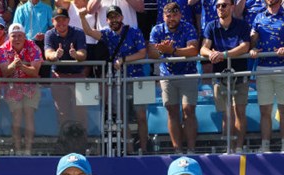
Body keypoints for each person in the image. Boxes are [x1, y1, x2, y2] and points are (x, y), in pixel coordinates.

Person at [79, 5, 149, 153]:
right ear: (107, 20)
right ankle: (130, 151)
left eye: (116, 16)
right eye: (110, 17)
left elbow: (143, 53)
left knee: (141, 116)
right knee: (122, 118)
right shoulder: (107, 33)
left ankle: (144, 150)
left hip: (139, 78)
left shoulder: (134, 31)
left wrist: (124, 59)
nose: (114, 20)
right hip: (118, 81)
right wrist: (82, 17)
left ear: (122, 17)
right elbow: (89, 31)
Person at [148, 3, 200, 154]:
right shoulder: (157, 29)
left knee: (188, 110)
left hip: (188, 73)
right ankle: (177, 149)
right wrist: (162, 50)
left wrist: (172, 50)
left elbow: (193, 50)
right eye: (168, 16)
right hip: (167, 75)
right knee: (171, 111)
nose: (171, 19)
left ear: (180, 15)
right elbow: (151, 53)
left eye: (174, 15)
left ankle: (191, 149)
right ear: (163, 16)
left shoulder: (188, 27)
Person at [201, 0, 252, 151]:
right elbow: (203, 48)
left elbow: (245, 47)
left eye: (224, 5)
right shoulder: (211, 26)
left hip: (240, 74)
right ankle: (228, 148)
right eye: (217, 6)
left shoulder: (242, 25)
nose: (220, 8)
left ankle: (238, 147)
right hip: (220, 76)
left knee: (239, 111)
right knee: (226, 113)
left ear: (232, 6)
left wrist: (223, 54)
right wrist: (212, 54)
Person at [249, 0, 284, 152]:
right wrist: (253, 48)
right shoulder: (258, 17)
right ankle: (265, 146)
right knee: (265, 111)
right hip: (263, 67)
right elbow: (252, 42)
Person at [0, 22, 43, 154]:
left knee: (29, 116)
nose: (17, 39)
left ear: (24, 36)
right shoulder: (2, 49)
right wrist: (14, 65)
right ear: (9, 37)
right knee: (16, 117)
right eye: (13, 36)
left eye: (19, 36)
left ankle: (28, 150)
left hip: (30, 86)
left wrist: (21, 66)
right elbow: (5, 72)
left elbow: (35, 72)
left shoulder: (33, 47)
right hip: (12, 87)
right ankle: (17, 149)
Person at [45, 7, 88, 138]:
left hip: (78, 76)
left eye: (64, 19)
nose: (61, 23)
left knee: (80, 112)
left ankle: (82, 141)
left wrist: (76, 55)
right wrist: (55, 55)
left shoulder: (78, 33)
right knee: (62, 113)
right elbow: (48, 54)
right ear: (53, 21)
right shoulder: (50, 34)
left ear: (68, 20)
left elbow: (83, 54)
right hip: (59, 77)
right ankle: (65, 142)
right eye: (58, 20)